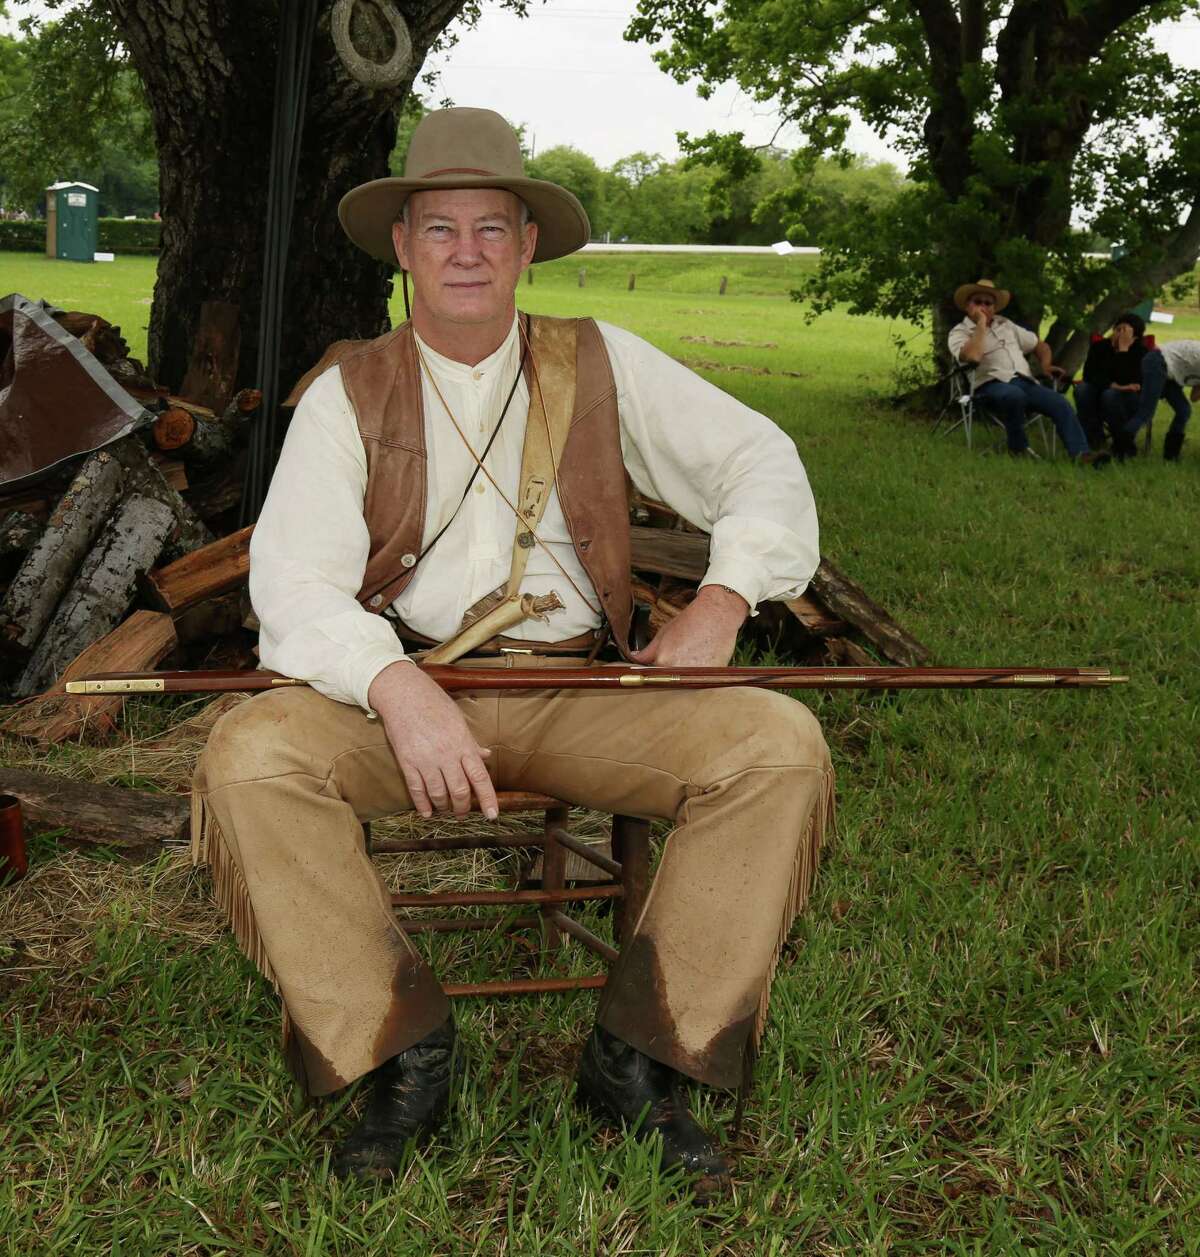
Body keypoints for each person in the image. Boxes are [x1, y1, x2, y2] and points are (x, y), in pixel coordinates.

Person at [191, 108, 834, 1195]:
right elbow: (293, 583)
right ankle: (398, 1050)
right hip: (404, 696)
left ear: (528, 244)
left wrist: (723, 599)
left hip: (587, 687)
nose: (468, 252)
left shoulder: (601, 360)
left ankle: (644, 1061)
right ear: (402, 247)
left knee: (779, 744)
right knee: (248, 759)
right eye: (440, 228)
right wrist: (395, 682)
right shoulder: (347, 390)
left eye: (492, 227)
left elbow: (759, 461)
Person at [947, 279, 1106, 464]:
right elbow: (973, 357)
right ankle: (1018, 448)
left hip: (1025, 382)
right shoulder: (959, 332)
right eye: (977, 302)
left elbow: (1041, 346)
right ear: (968, 306)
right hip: (990, 385)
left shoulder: (1006, 325)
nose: (983, 306)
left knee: (1059, 402)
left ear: (994, 308)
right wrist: (981, 324)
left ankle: (1081, 455)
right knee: (1014, 395)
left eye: (987, 303)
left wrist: (1045, 366)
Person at [1073, 312, 1149, 452]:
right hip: (1100, 394)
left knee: (1111, 395)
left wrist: (1123, 351)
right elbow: (1089, 375)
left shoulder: (1141, 353)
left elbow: (1133, 381)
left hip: (1130, 400)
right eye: (1117, 329)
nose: (1119, 334)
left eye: (1125, 332)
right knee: (1082, 389)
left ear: (1135, 337)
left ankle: (1122, 441)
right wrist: (1114, 385)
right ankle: (1095, 438)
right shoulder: (1100, 347)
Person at [1114, 337, 1199, 461]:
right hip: (1157, 361)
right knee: (1146, 412)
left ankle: (1171, 456)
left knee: (1184, 410)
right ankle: (1118, 451)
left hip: (1171, 371)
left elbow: (1194, 397)